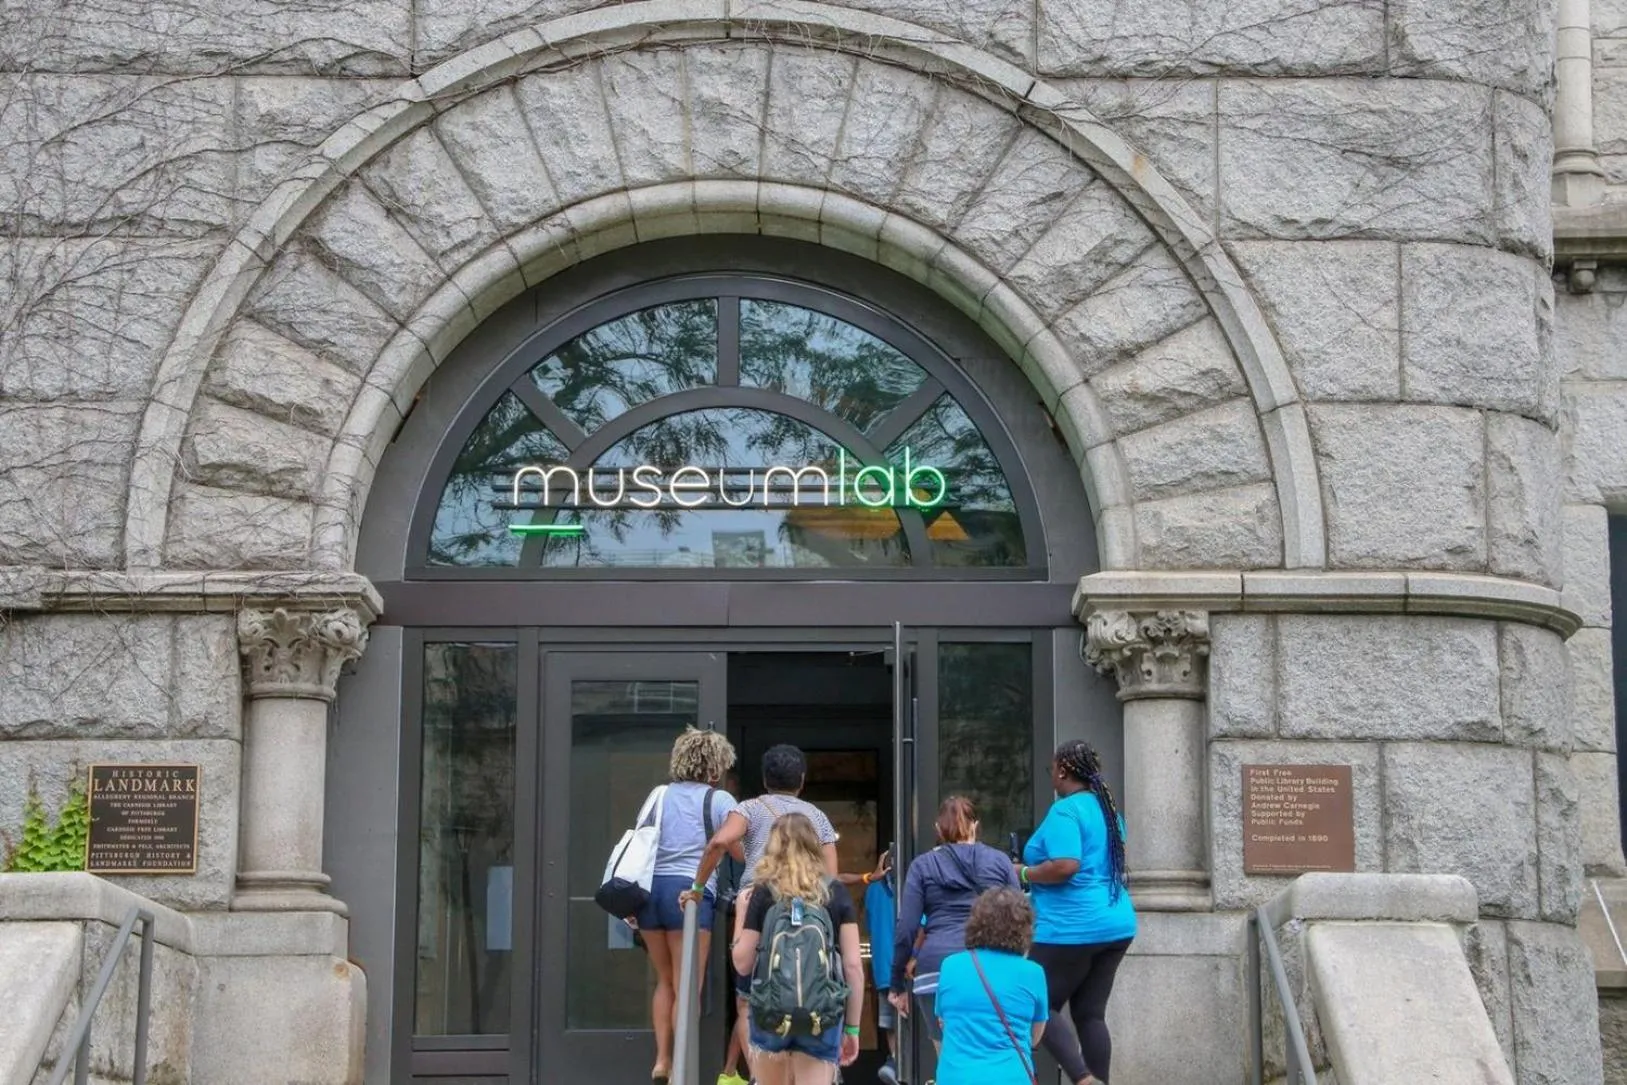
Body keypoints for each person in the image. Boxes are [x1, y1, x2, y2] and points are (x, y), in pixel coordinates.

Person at [684, 745, 839, 1083]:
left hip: (759, 906)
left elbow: (718, 843)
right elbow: (831, 876)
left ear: (765, 779)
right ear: (802, 779)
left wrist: (697, 889)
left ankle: (761, 1075)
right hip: (808, 909)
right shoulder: (817, 817)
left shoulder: (750, 808)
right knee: (810, 991)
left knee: (748, 1000)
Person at [1016, 741, 1136, 1085]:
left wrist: (1023, 872)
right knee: (1090, 1015)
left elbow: (1066, 865)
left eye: (1052, 768)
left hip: (1070, 926)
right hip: (1116, 924)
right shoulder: (1108, 811)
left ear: (1063, 771)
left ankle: (1083, 1079)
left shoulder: (1065, 811)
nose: (1051, 775)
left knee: (1036, 1003)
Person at [633, 727, 742, 1084]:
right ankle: (681, 1068)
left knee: (664, 981)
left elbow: (640, 841)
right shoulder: (719, 800)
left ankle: (661, 1060)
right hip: (689, 895)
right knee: (687, 985)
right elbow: (738, 851)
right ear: (715, 766)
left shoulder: (658, 795)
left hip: (651, 893)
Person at [731, 813, 865, 1084]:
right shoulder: (834, 891)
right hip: (821, 1015)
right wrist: (852, 1028)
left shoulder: (763, 893)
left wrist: (741, 913)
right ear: (814, 845)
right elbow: (852, 966)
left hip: (771, 1014)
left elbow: (742, 964)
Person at [889, 797, 1019, 1055]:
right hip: (989, 967)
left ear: (938, 829)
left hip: (937, 970)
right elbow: (1018, 917)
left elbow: (906, 928)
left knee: (948, 1057)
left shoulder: (923, 865)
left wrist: (896, 983)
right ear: (976, 826)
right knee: (990, 1054)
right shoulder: (999, 861)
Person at [933, 888, 1049, 1085]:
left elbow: (943, 1021)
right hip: (1010, 1077)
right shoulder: (1033, 973)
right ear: (1025, 929)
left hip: (956, 1077)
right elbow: (1035, 1036)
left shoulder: (950, 965)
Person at [837, 850, 898, 1085]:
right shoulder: (912, 889)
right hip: (907, 965)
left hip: (883, 967)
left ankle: (895, 1060)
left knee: (889, 1021)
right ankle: (899, 1063)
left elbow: (869, 924)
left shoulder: (873, 891)